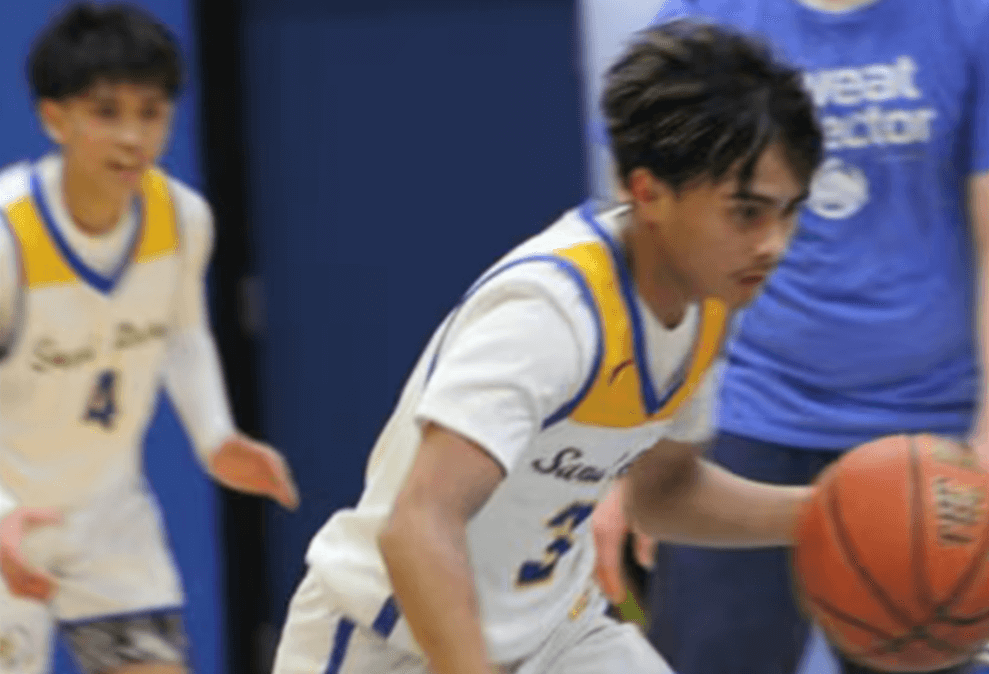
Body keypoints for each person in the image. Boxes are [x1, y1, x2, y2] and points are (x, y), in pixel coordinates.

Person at [270, 19, 823, 674]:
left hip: (554, 636)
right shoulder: (548, 315)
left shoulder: (705, 304)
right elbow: (419, 524)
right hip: (394, 641)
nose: (772, 243)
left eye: (788, 211)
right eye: (746, 211)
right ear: (648, 192)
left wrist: (830, 514)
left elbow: (663, 493)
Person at [586, 0, 989, 673]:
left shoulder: (967, 19)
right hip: (748, 415)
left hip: (930, 433)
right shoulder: (703, 18)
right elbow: (645, 252)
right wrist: (617, 460)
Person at [0, 4, 300, 674]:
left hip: (109, 514)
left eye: (151, 112)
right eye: (106, 112)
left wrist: (215, 437)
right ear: (55, 118)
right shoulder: (8, 237)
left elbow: (183, 333)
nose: (133, 136)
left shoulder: (182, 218)